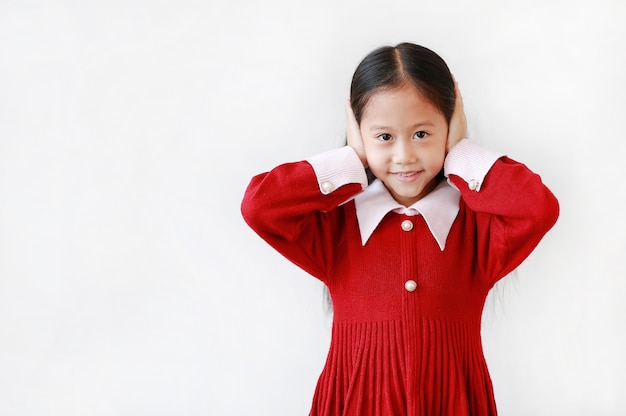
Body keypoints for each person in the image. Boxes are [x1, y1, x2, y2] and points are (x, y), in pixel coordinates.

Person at [241, 42, 559, 416]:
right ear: (358, 132)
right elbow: (259, 206)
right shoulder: (336, 229)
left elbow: (538, 207)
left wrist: (459, 151)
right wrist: (354, 160)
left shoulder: (478, 231)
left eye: (422, 134)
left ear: (451, 124)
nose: (404, 156)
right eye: (384, 137)